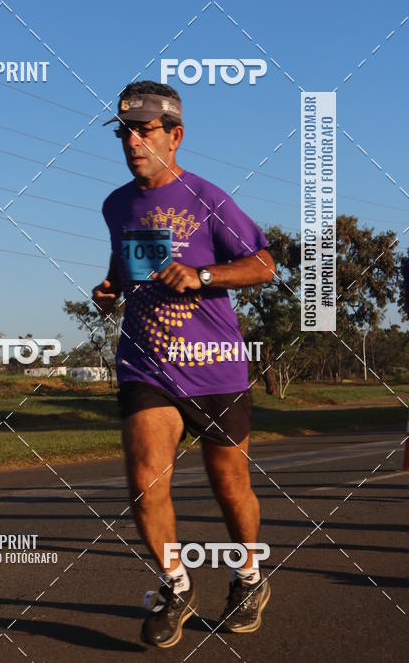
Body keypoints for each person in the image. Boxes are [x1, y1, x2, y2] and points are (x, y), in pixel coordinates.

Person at [92, 80, 275, 648]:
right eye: (125, 130)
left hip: (215, 367)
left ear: (175, 136)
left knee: (229, 484)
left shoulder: (209, 198)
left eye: (144, 130)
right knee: (146, 482)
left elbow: (264, 265)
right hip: (147, 365)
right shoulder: (116, 204)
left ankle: (248, 578)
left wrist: (203, 276)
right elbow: (130, 263)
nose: (132, 140)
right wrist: (110, 287)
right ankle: (176, 586)